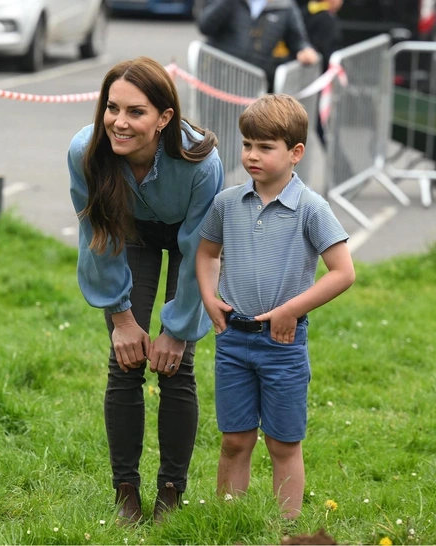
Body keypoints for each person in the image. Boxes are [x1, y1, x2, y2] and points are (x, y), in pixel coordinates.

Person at [67, 56, 224, 525]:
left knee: (178, 365)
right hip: (128, 232)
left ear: (164, 118)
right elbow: (97, 236)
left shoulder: (200, 161)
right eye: (112, 108)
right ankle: (126, 494)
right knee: (126, 358)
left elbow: (203, 250)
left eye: (135, 112)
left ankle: (171, 494)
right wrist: (121, 318)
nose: (119, 121)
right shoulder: (85, 152)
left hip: (187, 239)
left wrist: (177, 330)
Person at [195, 94, 355, 519]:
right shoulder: (227, 203)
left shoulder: (311, 208)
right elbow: (207, 253)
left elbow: (343, 271)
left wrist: (290, 310)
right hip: (233, 341)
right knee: (234, 440)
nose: (252, 155)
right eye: (247, 144)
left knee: (283, 443)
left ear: (295, 152)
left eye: (265, 147)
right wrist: (210, 297)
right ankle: (230, 522)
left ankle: (286, 529)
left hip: (283, 345)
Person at [198, 0, 320, 91]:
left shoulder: (285, 5)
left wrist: (304, 50)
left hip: (256, 85)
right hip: (218, 80)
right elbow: (205, 26)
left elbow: (298, 40)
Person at [296, 0, 344, 145]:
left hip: (305, 80)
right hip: (319, 83)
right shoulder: (325, 20)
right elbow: (327, 51)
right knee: (321, 125)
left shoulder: (304, 11)